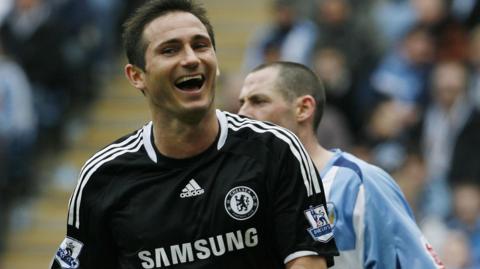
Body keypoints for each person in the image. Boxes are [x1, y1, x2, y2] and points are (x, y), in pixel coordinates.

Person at [49, 1, 338, 268]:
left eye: (200, 46)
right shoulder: (104, 176)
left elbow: (309, 262)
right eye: (170, 50)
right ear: (136, 76)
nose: (191, 59)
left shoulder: (276, 149)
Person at [237, 61, 445, 268]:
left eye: (259, 101)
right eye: (242, 102)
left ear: (303, 108)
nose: (242, 114)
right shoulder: (243, 196)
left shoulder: (359, 184)